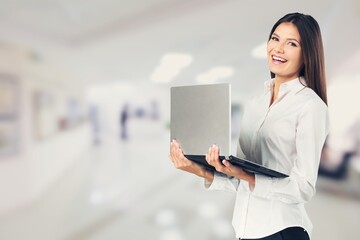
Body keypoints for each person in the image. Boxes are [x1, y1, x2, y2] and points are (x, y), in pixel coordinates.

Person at [169, 12, 329, 240]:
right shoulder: (256, 104)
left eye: (291, 43)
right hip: (245, 231)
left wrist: (248, 176)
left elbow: (304, 188)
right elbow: (239, 181)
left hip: (282, 231)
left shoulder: (310, 106)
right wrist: (198, 169)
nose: (278, 49)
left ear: (307, 54)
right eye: (275, 39)